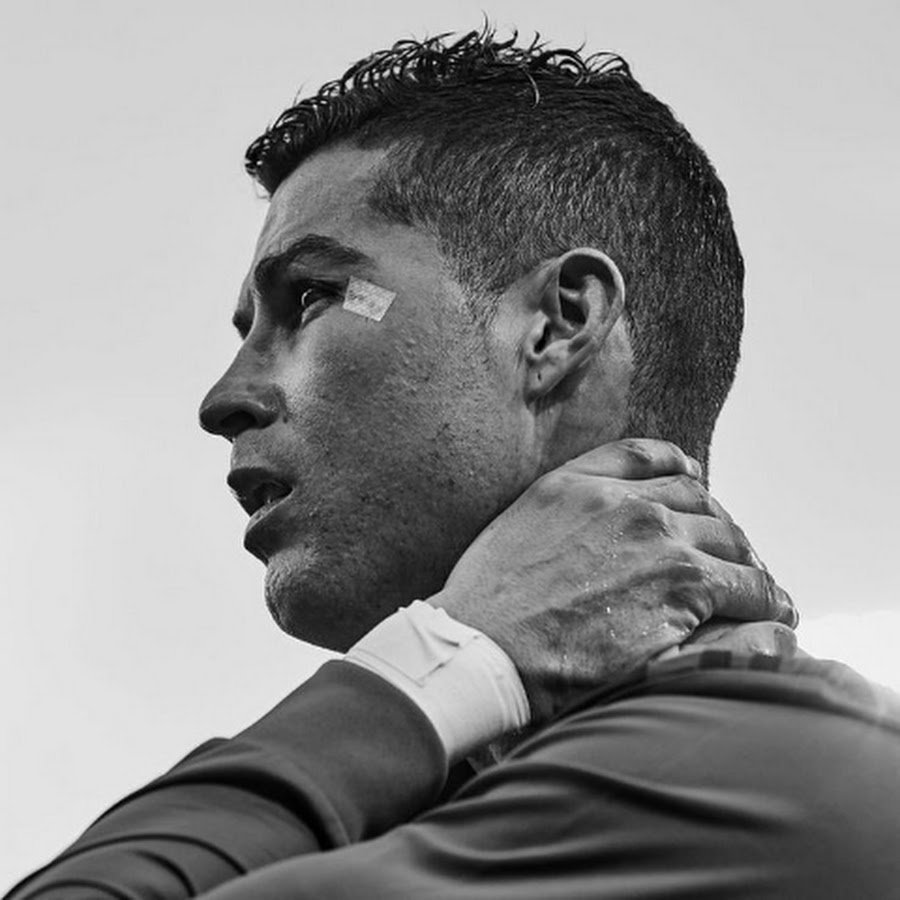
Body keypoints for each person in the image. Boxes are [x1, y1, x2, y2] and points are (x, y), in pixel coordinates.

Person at [7, 28, 900, 900]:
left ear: (556, 324)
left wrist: (440, 659)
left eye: (311, 298)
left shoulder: (756, 782)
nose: (223, 399)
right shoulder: (489, 802)